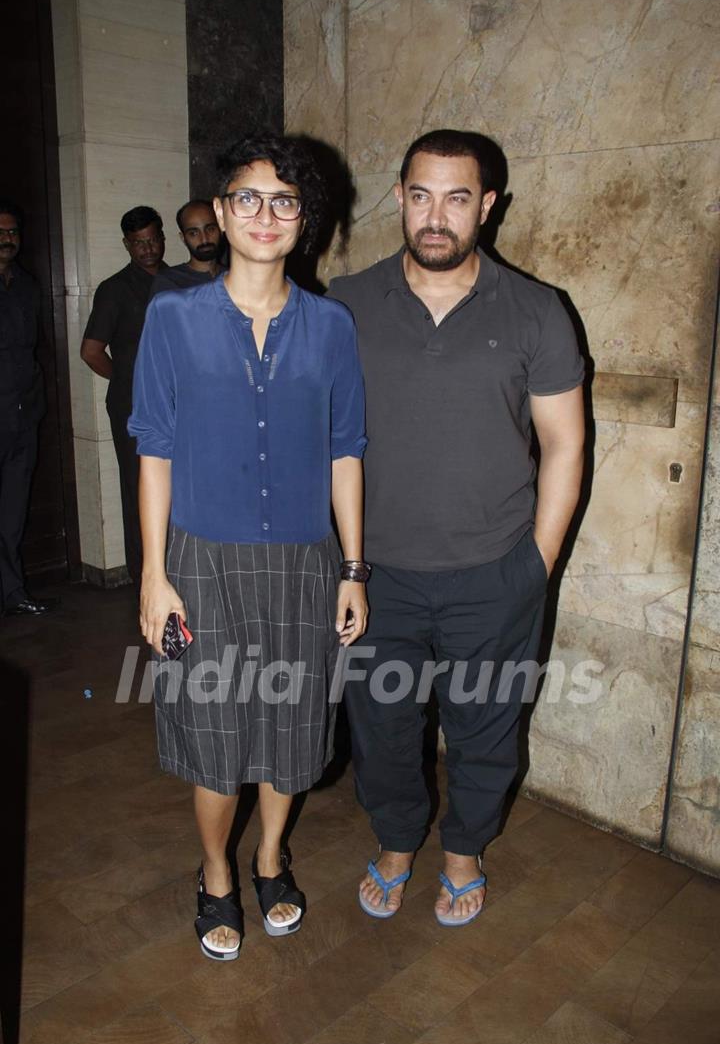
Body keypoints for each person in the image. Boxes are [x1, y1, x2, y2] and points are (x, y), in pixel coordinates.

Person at [328, 129, 585, 927]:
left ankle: (466, 850)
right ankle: (400, 841)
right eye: (419, 194)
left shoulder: (539, 310)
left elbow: (565, 442)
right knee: (383, 729)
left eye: (457, 196)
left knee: (486, 728)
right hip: (377, 578)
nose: (435, 216)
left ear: (488, 205)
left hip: (493, 574)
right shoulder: (346, 304)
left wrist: (535, 564)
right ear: (399, 196)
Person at [128, 135, 368, 961]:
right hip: (202, 561)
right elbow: (153, 447)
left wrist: (352, 569)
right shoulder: (172, 315)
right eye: (248, 199)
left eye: (285, 200)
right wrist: (155, 575)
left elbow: (346, 451)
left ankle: (270, 859)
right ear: (222, 214)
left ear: (306, 221)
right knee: (215, 735)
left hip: (304, 562)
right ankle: (215, 875)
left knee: (294, 727)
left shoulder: (332, 325)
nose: (265, 215)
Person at [80, 207, 167, 584]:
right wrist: (128, 380)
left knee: (178, 488)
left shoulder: (179, 280)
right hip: (132, 408)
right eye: (137, 243)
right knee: (139, 488)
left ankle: (180, 569)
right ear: (126, 245)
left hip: (178, 404)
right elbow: (91, 351)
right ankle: (142, 575)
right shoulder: (114, 289)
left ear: (163, 237)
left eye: (151, 240)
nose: (146, 249)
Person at [0, 200, 58, 616]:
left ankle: (13, 591)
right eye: (1, 232)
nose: (8, 240)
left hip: (23, 414)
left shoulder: (27, 285)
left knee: (13, 511)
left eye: (13, 233)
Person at [149, 200, 223, 297]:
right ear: (183, 238)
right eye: (194, 233)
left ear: (221, 229)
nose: (204, 239)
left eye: (210, 229)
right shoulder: (169, 283)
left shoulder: (236, 278)